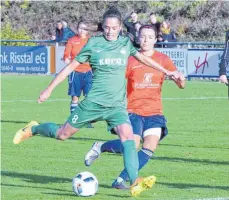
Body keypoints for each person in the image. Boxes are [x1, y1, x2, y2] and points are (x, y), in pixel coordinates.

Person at [13, 7, 179, 196]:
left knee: (128, 140)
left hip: (116, 107)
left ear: (120, 28)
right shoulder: (94, 44)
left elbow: (144, 59)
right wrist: (49, 89)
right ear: (103, 28)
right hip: (92, 104)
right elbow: (70, 68)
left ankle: (134, 182)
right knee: (62, 134)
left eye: (114, 27)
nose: (110, 31)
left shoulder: (126, 44)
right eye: (107, 27)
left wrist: (167, 72)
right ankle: (34, 128)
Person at [84, 25, 185, 189]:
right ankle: (100, 146)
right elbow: (115, 78)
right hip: (132, 111)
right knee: (132, 144)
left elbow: (181, 84)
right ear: (138, 38)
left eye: (150, 37)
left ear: (155, 39)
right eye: (143, 36)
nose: (146, 40)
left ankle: (119, 180)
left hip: (154, 112)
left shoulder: (163, 60)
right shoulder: (130, 60)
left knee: (149, 148)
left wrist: (180, 79)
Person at [63, 20, 93, 128]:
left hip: (88, 72)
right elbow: (66, 56)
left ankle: (86, 120)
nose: (82, 30)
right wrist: (70, 64)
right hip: (75, 73)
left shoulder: (91, 41)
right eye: (80, 28)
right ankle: (73, 121)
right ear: (77, 28)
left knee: (89, 97)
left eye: (85, 28)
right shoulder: (72, 40)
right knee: (75, 97)